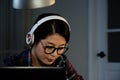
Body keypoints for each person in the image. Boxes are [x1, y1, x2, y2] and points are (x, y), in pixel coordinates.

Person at [4, 13, 84, 80]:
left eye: (60, 48)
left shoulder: (61, 61)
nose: (55, 54)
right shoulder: (13, 64)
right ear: (32, 40)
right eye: (49, 47)